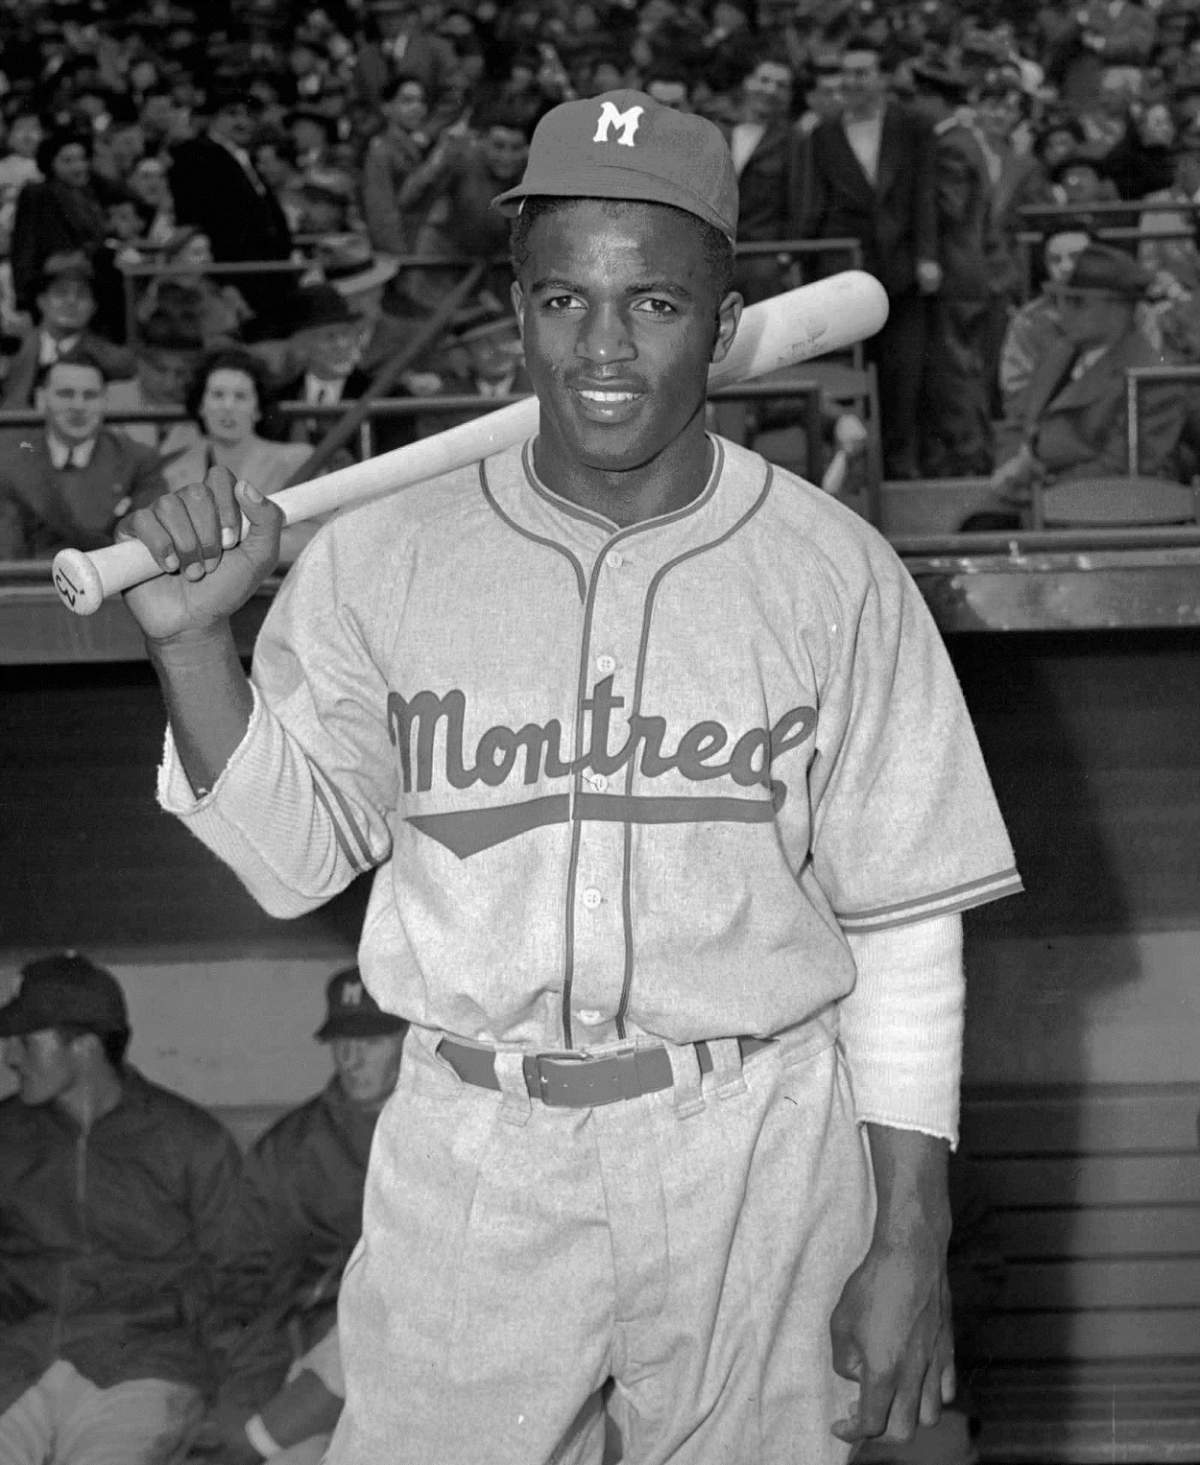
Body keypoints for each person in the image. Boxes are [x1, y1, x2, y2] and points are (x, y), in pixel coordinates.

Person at [120, 89, 1021, 1465]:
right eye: (564, 302)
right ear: (522, 312)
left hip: (758, 1143)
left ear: (721, 327)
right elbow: (290, 858)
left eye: (653, 306)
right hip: (475, 1151)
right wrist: (195, 653)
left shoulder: (835, 572)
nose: (601, 348)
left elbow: (905, 930)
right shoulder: (382, 558)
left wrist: (913, 1224)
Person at [0, 951, 242, 1464]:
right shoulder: (7, 1136)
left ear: (84, 1045)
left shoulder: (189, 1141)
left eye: (26, 1041)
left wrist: (239, 1402)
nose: (10, 1058)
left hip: (144, 1366)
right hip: (18, 1361)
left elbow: (239, 1280)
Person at [205, 968, 406, 1440]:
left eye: (372, 1041)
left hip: (409, 1344)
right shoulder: (292, 1147)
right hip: (300, 1335)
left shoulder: (447, 1136)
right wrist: (247, 1353)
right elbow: (241, 1268)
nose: (351, 1059)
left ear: (408, 1039)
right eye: (340, 1042)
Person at [795, 39, 939, 478]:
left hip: (901, 265)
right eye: (848, 73)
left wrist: (928, 256)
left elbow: (924, 194)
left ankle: (901, 464)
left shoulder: (912, 126)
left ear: (882, 78)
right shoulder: (824, 133)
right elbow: (814, 203)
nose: (854, 81)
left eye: (864, 72)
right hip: (847, 269)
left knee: (905, 372)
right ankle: (858, 469)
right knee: (852, 371)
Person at [986, 243, 1187, 520]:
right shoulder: (1060, 354)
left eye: (1077, 302)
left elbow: (1124, 472)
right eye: (1060, 299)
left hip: (1095, 525)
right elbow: (1018, 421)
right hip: (1028, 509)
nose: (1063, 310)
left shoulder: (1152, 377)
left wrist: (1034, 482)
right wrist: (1008, 466)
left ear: (1120, 309)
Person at [0, 347, 165, 557]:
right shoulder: (10, 461)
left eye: (90, 395)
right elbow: (7, 553)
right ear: (42, 399)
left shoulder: (138, 460)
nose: (78, 406)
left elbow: (146, 546)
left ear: (106, 400)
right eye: (66, 394)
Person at [168, 90, 295, 338]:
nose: (243, 122)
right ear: (212, 118)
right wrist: (224, 281)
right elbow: (198, 223)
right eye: (232, 114)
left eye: (249, 115)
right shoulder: (196, 154)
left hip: (266, 275)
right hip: (233, 278)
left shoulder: (243, 157)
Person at [0, 251, 134, 409]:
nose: (71, 301)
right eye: (61, 293)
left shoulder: (115, 361)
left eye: (82, 295)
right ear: (42, 301)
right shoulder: (12, 352)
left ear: (94, 307)